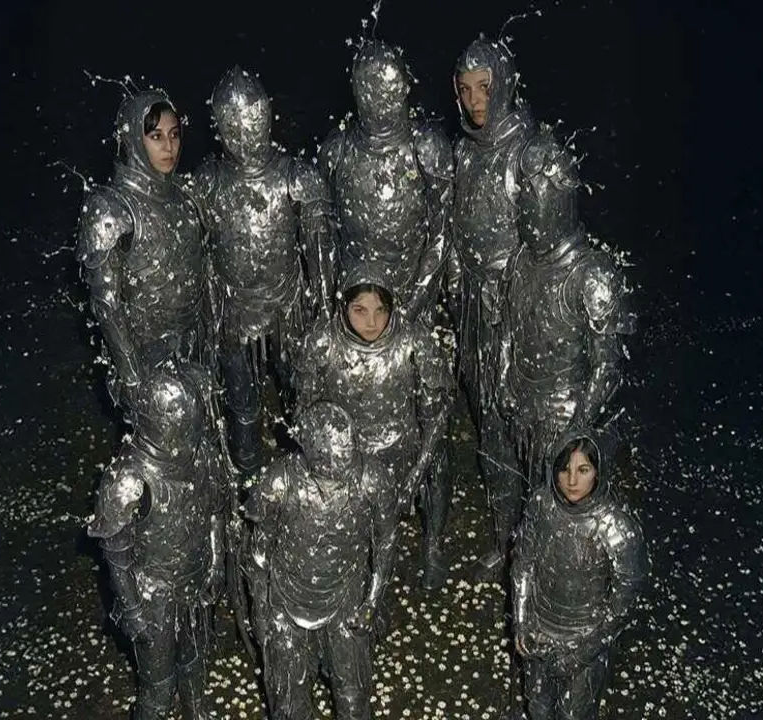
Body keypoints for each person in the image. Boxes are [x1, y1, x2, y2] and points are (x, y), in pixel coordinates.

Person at [184, 66, 335, 479]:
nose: (242, 132)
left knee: (302, 396)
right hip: (233, 313)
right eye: (230, 124)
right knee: (241, 407)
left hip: (288, 307)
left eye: (249, 120)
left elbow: (320, 254)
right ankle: (248, 487)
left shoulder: (295, 177)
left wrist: (321, 312)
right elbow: (194, 252)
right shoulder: (208, 182)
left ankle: (308, 481)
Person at [293, 270, 455, 590]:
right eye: (360, 311)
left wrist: (416, 473)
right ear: (344, 309)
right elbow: (305, 414)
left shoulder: (413, 341)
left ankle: (432, 544)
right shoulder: (323, 342)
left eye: (381, 311)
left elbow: (435, 418)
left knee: (440, 460)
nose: (372, 322)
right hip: (344, 454)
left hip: (400, 446)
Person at [87, 362, 228, 720]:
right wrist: (132, 608)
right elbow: (116, 554)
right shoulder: (129, 478)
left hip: (193, 583)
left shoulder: (202, 456)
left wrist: (214, 563)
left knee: (195, 670)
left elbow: (213, 513)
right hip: (154, 596)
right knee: (158, 689)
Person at [242, 402, 398, 720]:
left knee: (354, 701)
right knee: (288, 707)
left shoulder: (372, 480)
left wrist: (372, 600)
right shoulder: (279, 482)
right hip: (286, 601)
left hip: (346, 597)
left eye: (348, 456)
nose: (341, 470)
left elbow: (386, 542)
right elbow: (258, 553)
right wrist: (262, 612)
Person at [448, 36, 538, 581]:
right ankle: (506, 538)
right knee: (490, 426)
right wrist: (461, 289)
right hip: (478, 310)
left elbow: (545, 240)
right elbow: (457, 230)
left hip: (522, 312)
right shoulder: (465, 152)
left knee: (524, 422)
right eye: (466, 90)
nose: (477, 99)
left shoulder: (529, 151)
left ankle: (538, 541)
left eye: (485, 87)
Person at [498, 125, 636, 483]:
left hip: (566, 412)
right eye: (523, 196)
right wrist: (504, 377)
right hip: (523, 405)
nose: (524, 205)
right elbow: (509, 328)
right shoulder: (520, 261)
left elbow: (607, 364)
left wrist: (577, 427)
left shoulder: (591, 276)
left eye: (533, 196)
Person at [76, 90, 209, 409]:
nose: (169, 147)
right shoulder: (111, 209)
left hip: (193, 345)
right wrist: (132, 375)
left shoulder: (184, 196)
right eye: (156, 136)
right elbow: (106, 302)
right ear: (134, 139)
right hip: (144, 356)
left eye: (175, 135)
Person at [512, 426, 649, 720]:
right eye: (565, 470)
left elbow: (623, 602)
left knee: (574, 714)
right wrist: (522, 620)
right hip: (540, 629)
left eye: (583, 469)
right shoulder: (541, 505)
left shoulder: (614, 526)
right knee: (537, 706)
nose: (572, 481)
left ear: (597, 472)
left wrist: (582, 653)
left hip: (585, 637)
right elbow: (523, 562)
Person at [318, 40, 454, 322]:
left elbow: (442, 233)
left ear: (403, 88)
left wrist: (414, 304)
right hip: (354, 301)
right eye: (371, 91)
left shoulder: (425, 146)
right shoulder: (338, 150)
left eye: (388, 91)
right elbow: (324, 233)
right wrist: (330, 300)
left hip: (411, 293)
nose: (379, 102)